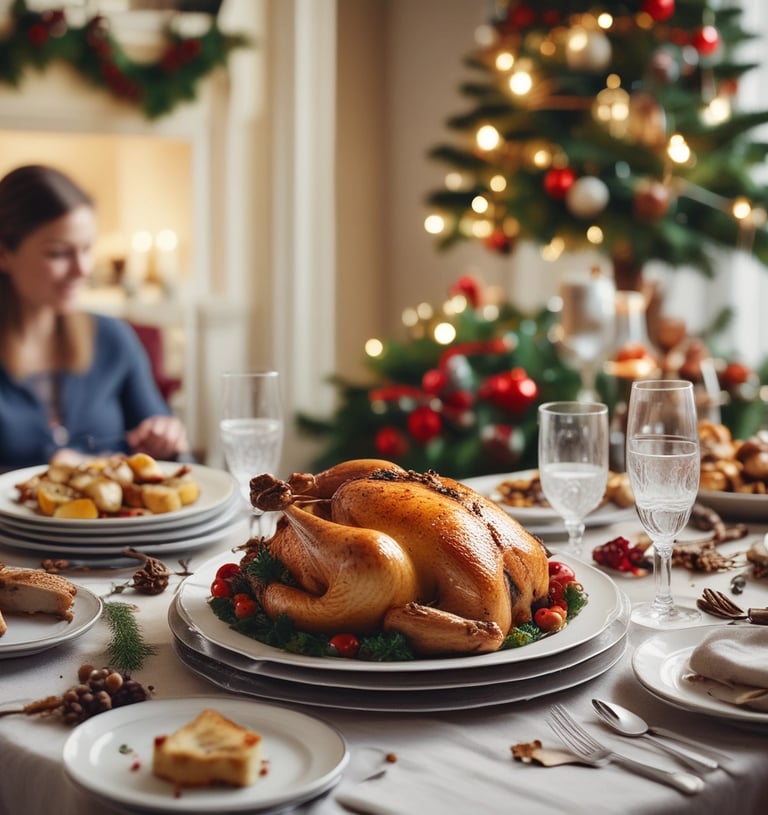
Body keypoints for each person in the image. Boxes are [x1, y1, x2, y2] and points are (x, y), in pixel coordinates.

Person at [0, 164, 190, 472]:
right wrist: (58, 467)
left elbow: (178, 467)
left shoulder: (113, 338)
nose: (82, 269)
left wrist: (168, 443)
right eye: (59, 253)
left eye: (87, 249)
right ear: (4, 253)